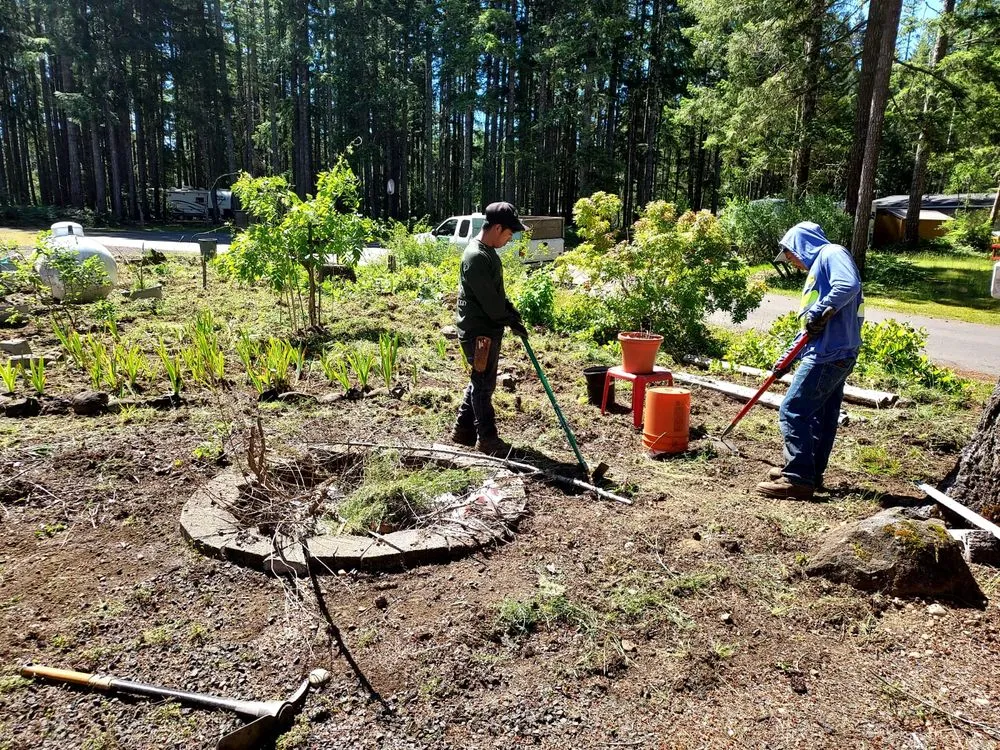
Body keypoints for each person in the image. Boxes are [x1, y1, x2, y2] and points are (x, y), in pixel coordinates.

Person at [756, 221, 864, 500]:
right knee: (822, 417)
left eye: (790, 255)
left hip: (828, 355)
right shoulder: (819, 269)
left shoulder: (832, 253)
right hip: (836, 353)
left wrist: (820, 311)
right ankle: (810, 472)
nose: (791, 263)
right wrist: (786, 359)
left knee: (793, 410)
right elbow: (809, 327)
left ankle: (798, 477)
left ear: (799, 245)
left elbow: (849, 285)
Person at [450, 201, 530, 456]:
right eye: (508, 233)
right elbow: (491, 306)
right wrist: (508, 317)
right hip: (479, 333)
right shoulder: (476, 257)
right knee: (483, 386)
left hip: (487, 329)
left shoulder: (487, 252)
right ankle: (487, 439)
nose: (509, 239)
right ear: (497, 228)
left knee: (480, 381)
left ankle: (463, 431)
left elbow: (496, 295)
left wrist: (510, 310)